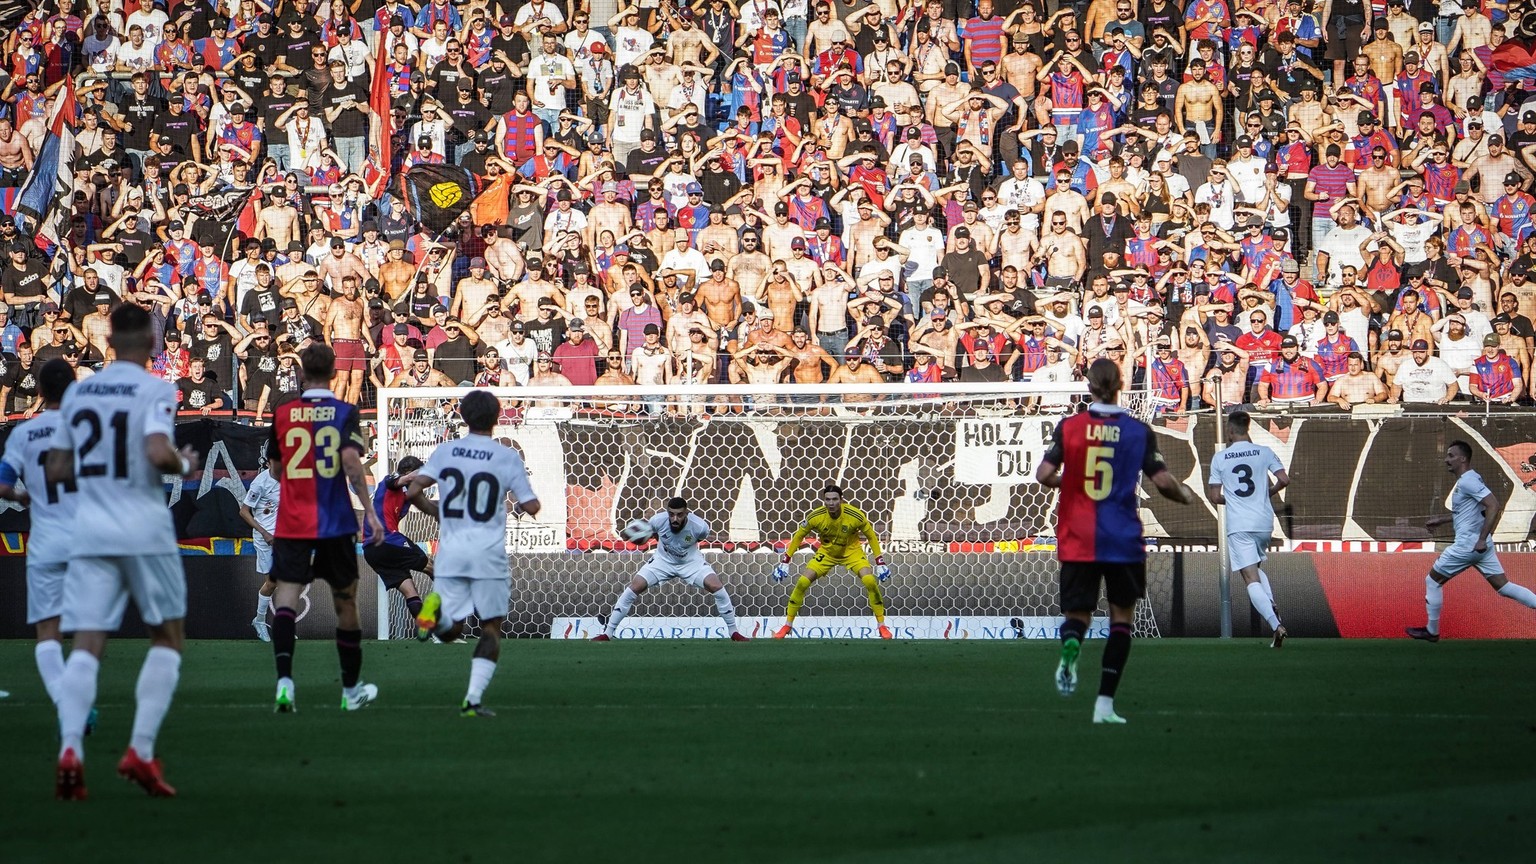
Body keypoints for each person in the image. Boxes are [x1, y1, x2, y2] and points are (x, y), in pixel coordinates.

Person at [45, 304, 202, 799]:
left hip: (90, 527)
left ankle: (70, 747)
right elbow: (158, 451)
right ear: (153, 344)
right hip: (143, 526)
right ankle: (139, 749)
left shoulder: (81, 391)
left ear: (108, 340)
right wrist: (183, 462)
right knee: (168, 637)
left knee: (88, 643)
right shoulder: (157, 388)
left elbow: (55, 469)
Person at [1035, 359, 1193, 724]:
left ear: (1088, 385)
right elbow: (1164, 481)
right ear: (1122, 384)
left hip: (1078, 537)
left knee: (1078, 614)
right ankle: (1104, 704)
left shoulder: (1070, 427)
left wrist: (1070, 483)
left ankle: (1072, 644)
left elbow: (1044, 474)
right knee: (1122, 618)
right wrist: (1184, 497)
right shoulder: (1137, 431)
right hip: (1121, 537)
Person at [405, 391, 543, 715]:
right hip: (488, 554)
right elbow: (531, 504)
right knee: (491, 627)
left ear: (464, 417)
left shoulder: (446, 451)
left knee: (452, 630)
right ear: (497, 418)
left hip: (452, 551)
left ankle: (432, 617)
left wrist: (436, 511)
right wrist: (528, 503)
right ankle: (473, 699)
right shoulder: (506, 456)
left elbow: (413, 491)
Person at [267, 344, 385, 713]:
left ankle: (285, 682)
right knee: (346, 600)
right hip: (334, 520)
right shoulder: (345, 412)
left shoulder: (283, 412)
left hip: (293, 520)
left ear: (302, 373)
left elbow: (274, 469)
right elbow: (351, 462)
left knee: (285, 595)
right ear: (335, 374)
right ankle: (350, 692)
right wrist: (370, 511)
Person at [0, 361, 89, 732]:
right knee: (88, 630)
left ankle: (66, 703)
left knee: (48, 634)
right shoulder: (87, 431)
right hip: (87, 542)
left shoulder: (24, 433)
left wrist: (23, 496)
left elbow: (3, 485)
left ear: (39, 392)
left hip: (46, 542)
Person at [1408, 441, 1536, 642]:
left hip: (1468, 546)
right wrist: (1442, 519)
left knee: (1432, 580)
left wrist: (1481, 539)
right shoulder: (1468, 480)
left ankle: (1431, 631)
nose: (1446, 459)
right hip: (1479, 547)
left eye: (1451, 456)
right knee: (1504, 587)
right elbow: (1470, 511)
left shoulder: (1468, 481)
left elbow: (1493, 505)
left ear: (1463, 459)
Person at [593, 497, 748, 642]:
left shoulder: (700, 527)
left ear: (686, 513)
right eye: (671, 514)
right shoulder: (657, 521)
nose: (675, 519)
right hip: (662, 561)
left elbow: (698, 540)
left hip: (690, 562)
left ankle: (733, 632)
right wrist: (638, 535)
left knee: (716, 586)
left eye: (679, 515)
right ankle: (608, 633)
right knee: (635, 586)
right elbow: (647, 532)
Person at [1207, 411, 1292, 647]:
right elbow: (1284, 479)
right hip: (1264, 522)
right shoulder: (1264, 452)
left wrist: (1233, 500)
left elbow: (1214, 496)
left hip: (1239, 524)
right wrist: (1266, 493)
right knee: (1256, 567)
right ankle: (1271, 604)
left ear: (1230, 430)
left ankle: (1276, 625)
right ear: (1248, 428)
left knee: (1250, 577)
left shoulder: (1220, 458)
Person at [771, 484, 892, 640]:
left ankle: (882, 626)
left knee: (869, 580)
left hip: (852, 552)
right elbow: (799, 536)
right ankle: (787, 625)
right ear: (824, 501)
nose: (831, 503)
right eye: (827, 500)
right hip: (827, 553)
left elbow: (871, 536)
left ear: (841, 500)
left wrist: (880, 561)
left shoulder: (855, 515)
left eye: (835, 499)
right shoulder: (816, 516)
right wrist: (785, 561)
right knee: (802, 582)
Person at [362, 455, 433, 626]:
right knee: (433, 568)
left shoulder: (406, 495)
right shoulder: (390, 481)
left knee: (410, 590)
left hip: (372, 551)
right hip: (387, 540)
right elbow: (407, 478)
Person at [240, 461, 281, 642]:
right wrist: (264, 533)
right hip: (266, 538)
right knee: (272, 583)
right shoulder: (260, 483)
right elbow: (244, 511)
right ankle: (259, 620)